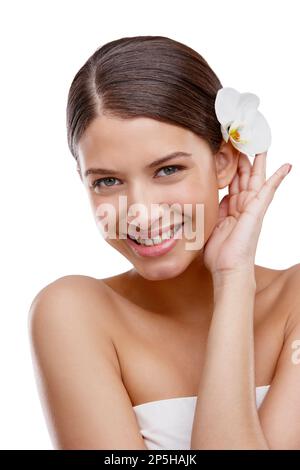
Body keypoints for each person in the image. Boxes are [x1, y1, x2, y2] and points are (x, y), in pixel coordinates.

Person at [28, 35, 300, 450]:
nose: (140, 212)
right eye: (107, 181)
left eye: (168, 170)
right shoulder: (72, 314)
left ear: (224, 160)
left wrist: (234, 280)